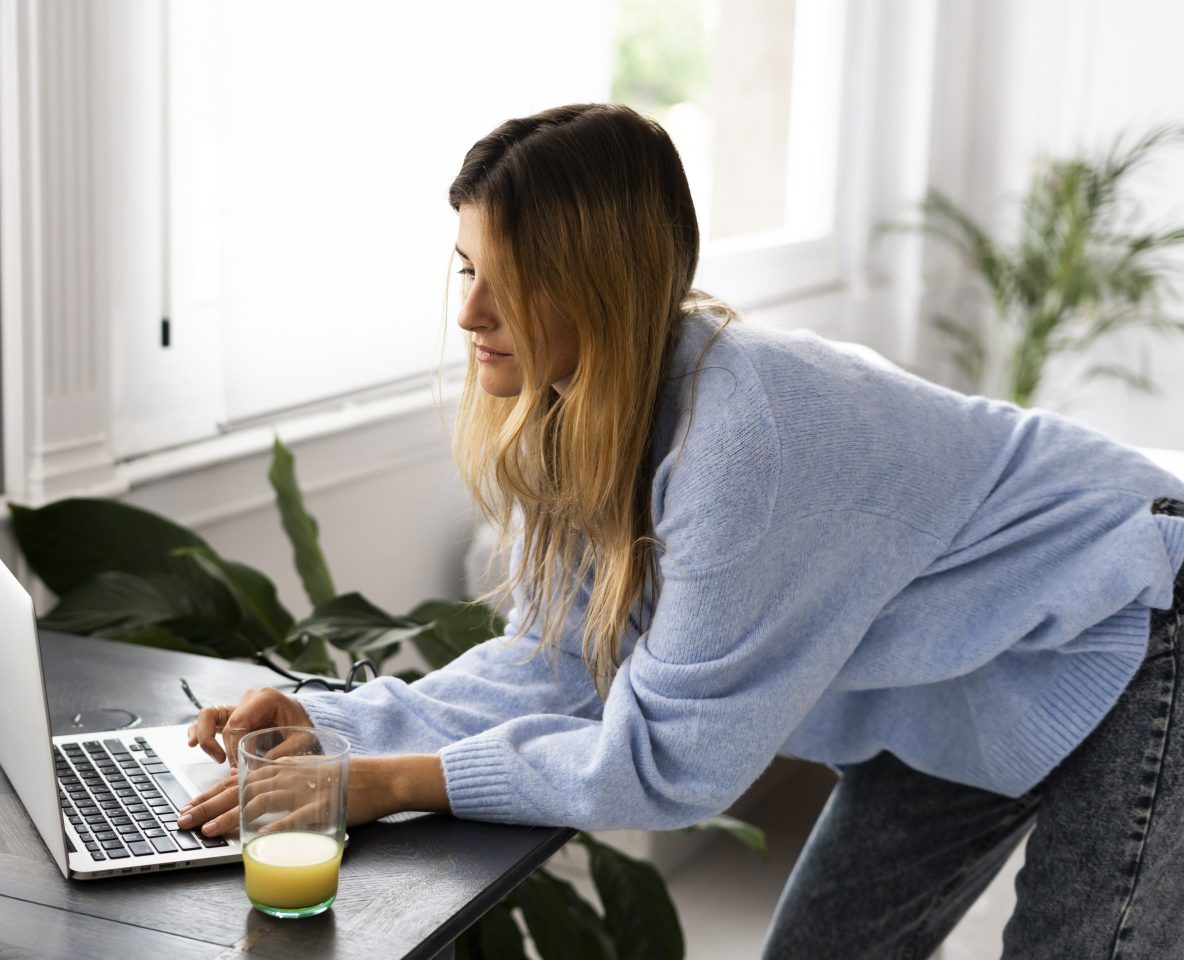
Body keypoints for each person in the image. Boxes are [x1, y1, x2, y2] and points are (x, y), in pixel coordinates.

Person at [176, 103, 1184, 957]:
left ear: (598, 284)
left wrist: (379, 783)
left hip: (1129, 611)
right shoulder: (589, 412)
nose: (471, 314)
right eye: (463, 270)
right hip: (959, 678)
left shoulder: (736, 437)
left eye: (507, 278)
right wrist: (336, 728)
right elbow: (556, 659)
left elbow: (664, 760)